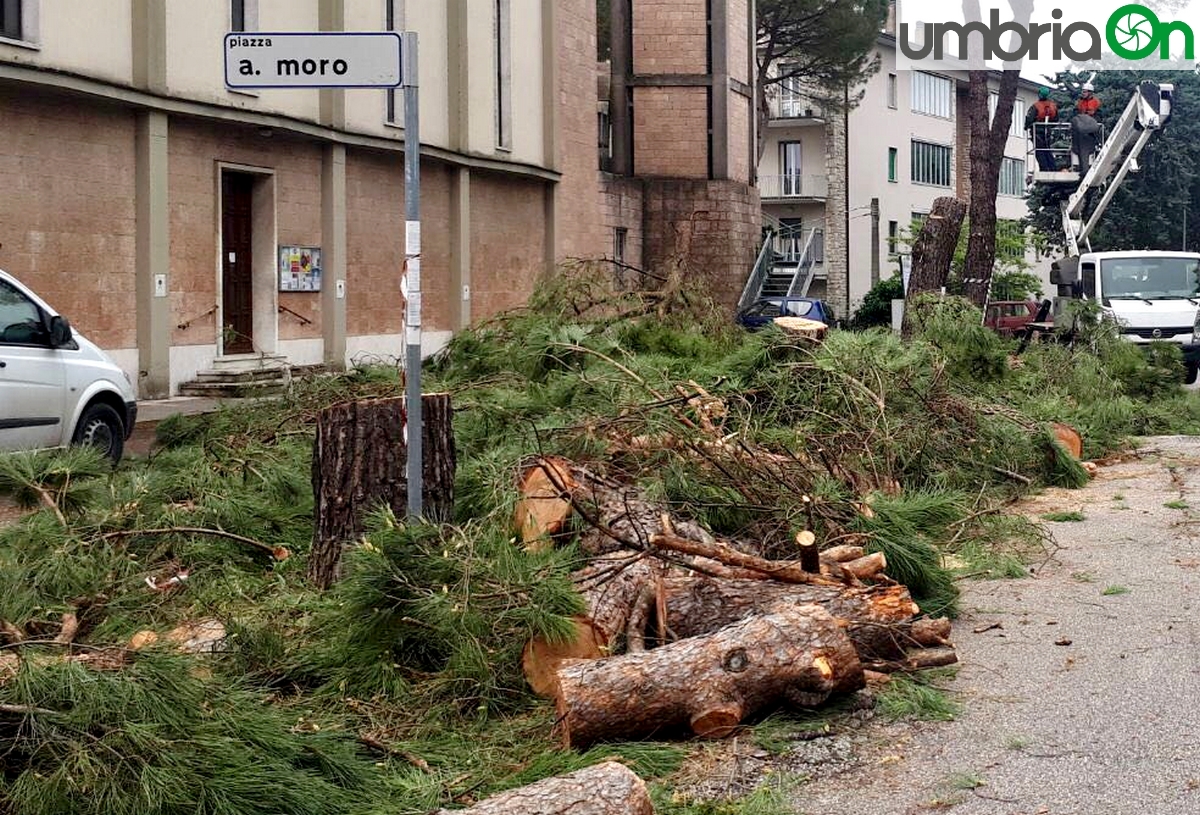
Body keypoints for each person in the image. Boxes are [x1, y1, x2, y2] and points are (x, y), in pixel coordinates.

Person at [1025, 87, 1059, 171]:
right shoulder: (1053, 106)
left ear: (1040, 94)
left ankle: (1044, 168)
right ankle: (1052, 168)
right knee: (1047, 150)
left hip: (1037, 131)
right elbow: (1056, 119)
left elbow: (1029, 119)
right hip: (1047, 131)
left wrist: (1026, 127)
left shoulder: (1036, 106)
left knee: (1039, 151)